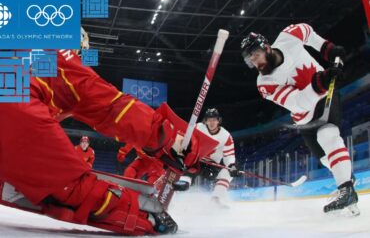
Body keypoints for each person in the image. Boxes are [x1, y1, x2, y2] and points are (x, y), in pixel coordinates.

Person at [0, 28, 217, 235]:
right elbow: (113, 109)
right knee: (75, 189)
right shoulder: (59, 57)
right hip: (13, 104)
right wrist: (167, 138)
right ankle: (144, 215)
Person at [240, 23, 359, 214]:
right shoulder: (264, 83)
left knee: (328, 136)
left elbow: (309, 33)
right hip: (304, 119)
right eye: (250, 60)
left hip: (324, 98)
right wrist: (321, 80)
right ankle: (347, 178)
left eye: (256, 55)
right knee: (326, 159)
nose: (255, 62)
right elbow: (297, 103)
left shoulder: (289, 36)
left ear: (267, 47)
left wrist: (328, 49)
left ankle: (346, 189)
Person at [177, 108, 240, 208]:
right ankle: (181, 185)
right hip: (196, 161)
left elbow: (229, 155)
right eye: (209, 120)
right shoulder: (197, 127)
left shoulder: (226, 135)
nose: (212, 122)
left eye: (214, 119)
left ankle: (216, 199)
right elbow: (186, 139)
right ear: (205, 121)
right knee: (186, 168)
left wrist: (232, 165)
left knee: (228, 172)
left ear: (218, 120)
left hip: (211, 166)